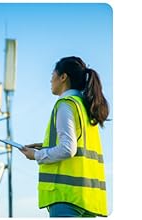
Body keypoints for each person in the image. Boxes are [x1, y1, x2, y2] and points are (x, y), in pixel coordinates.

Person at [21, 56, 109, 217]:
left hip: (66, 199)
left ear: (63, 77)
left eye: (52, 74)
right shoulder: (85, 106)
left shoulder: (66, 104)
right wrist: (45, 145)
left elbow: (68, 148)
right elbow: (78, 144)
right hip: (87, 199)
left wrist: (37, 155)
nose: (50, 80)